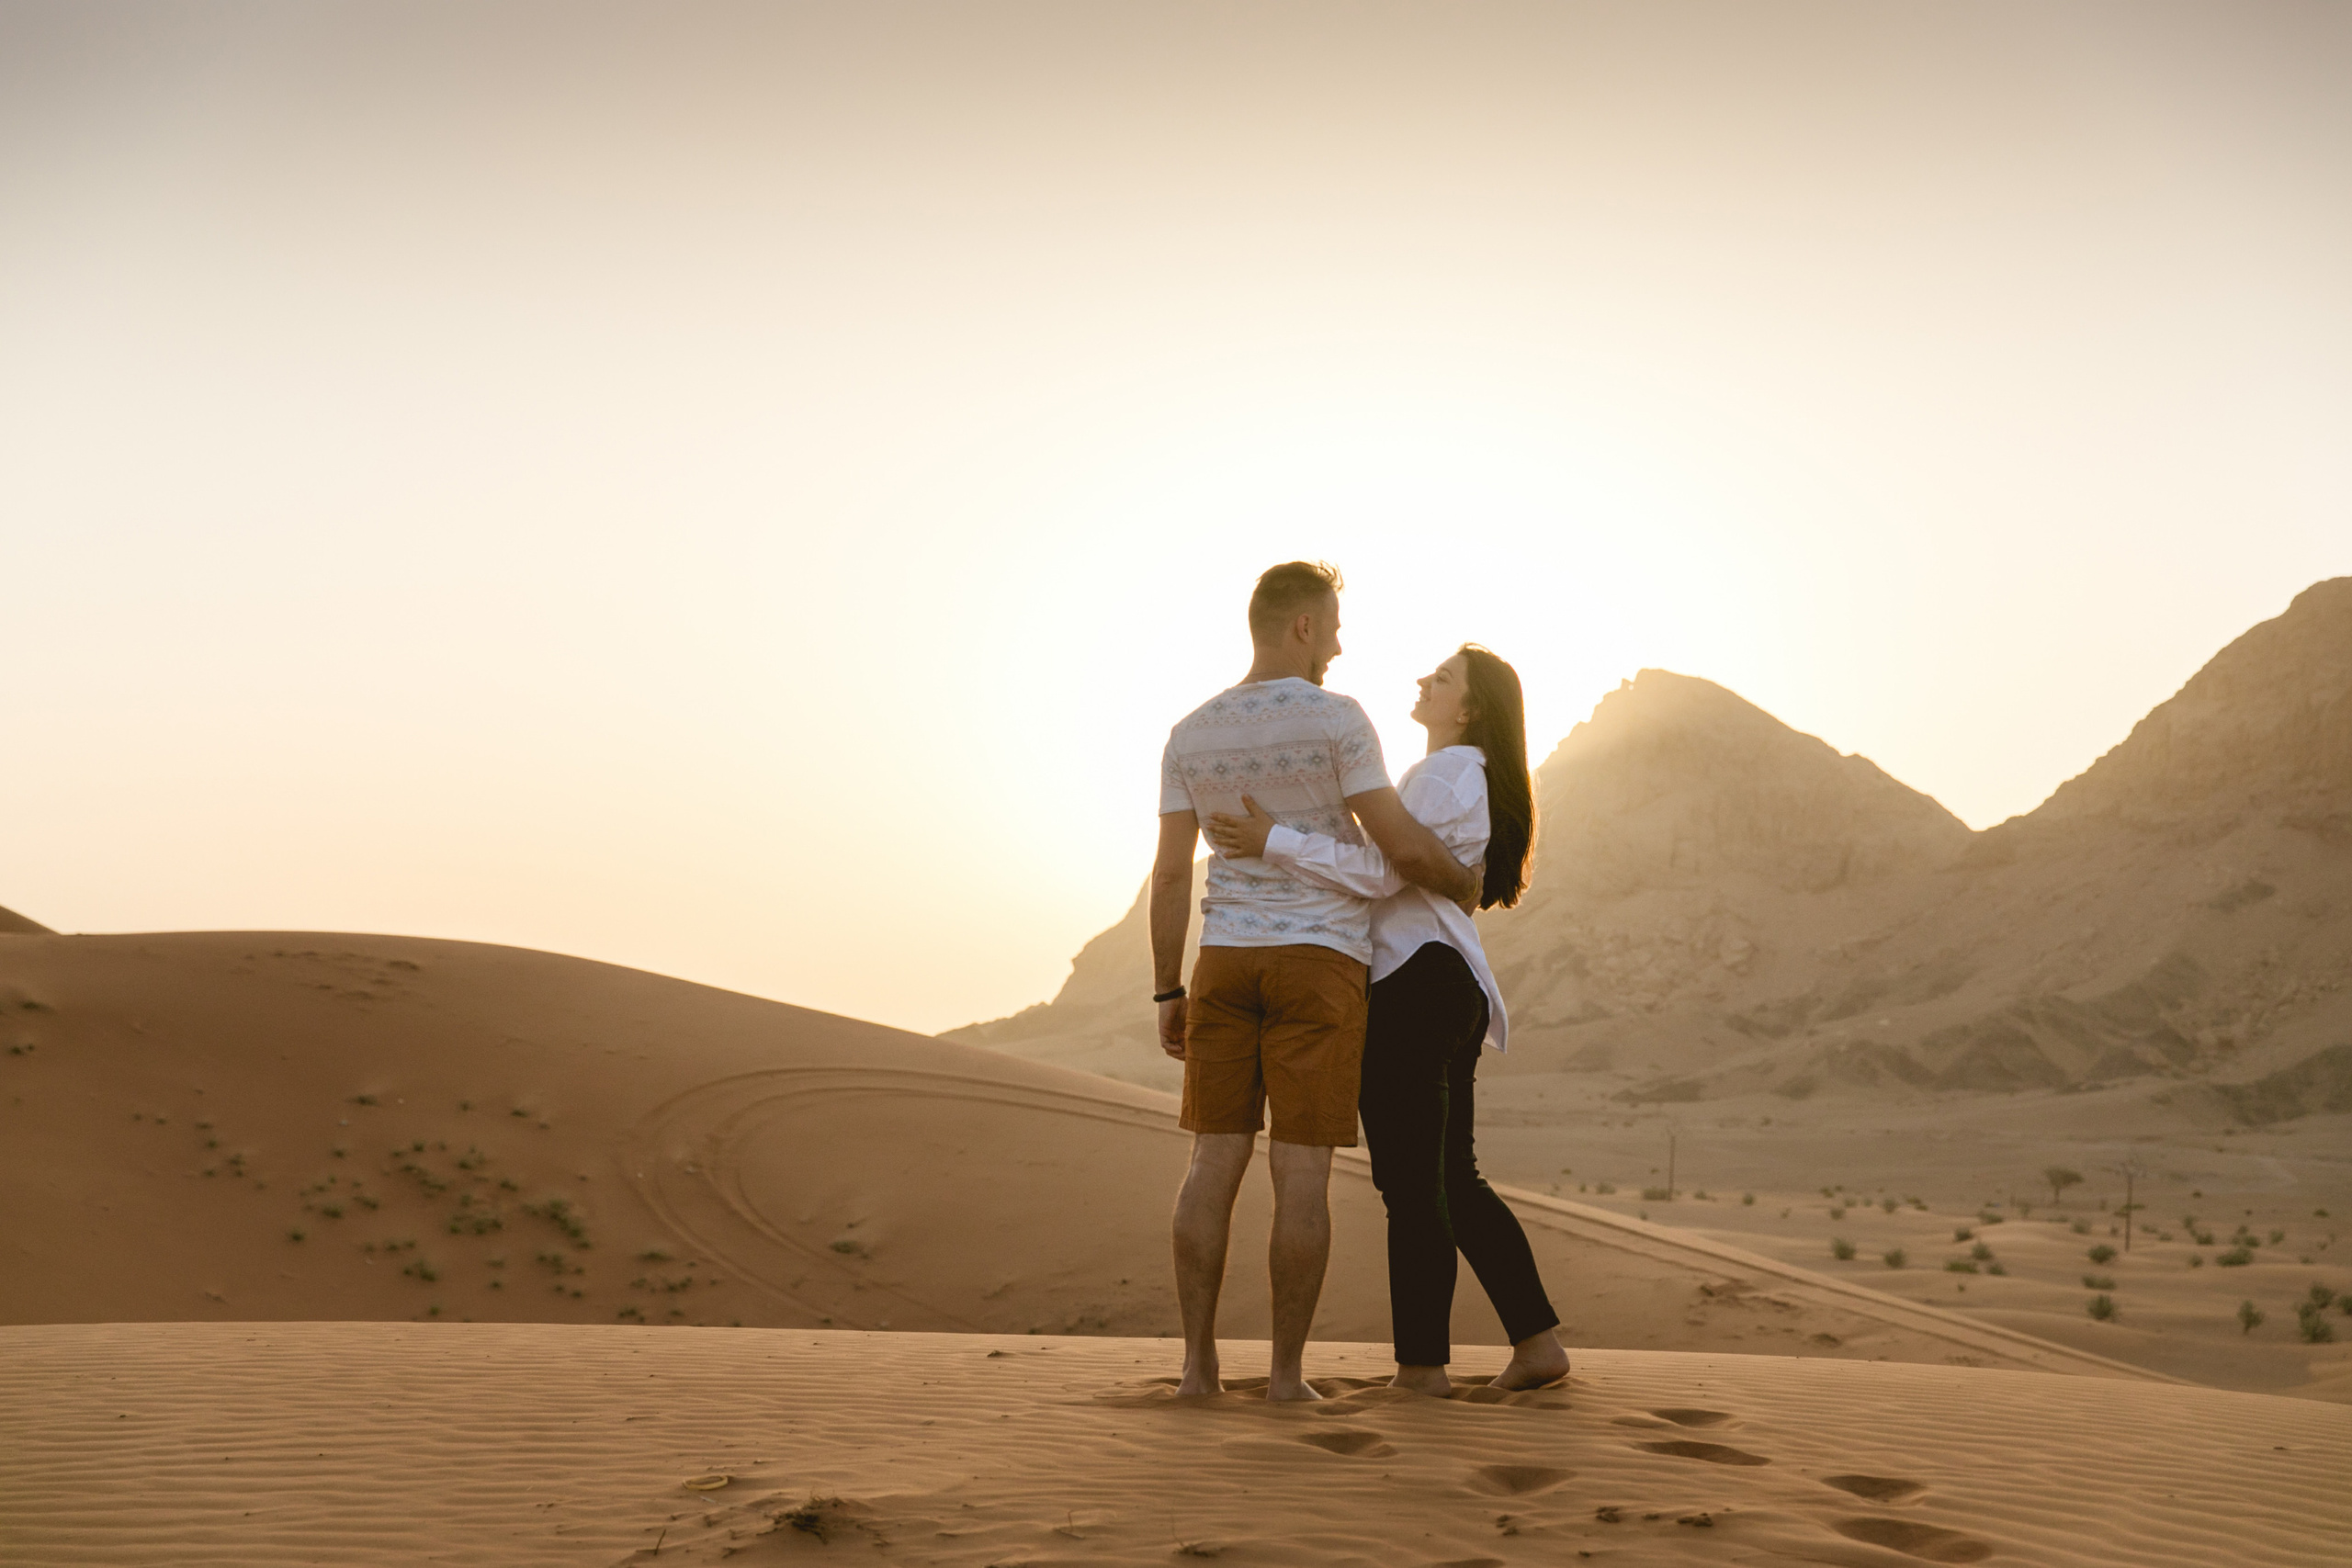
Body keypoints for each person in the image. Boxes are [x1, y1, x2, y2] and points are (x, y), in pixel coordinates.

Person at [1152, 561, 1481, 1402]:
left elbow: (1169, 877)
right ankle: (1287, 1377)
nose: (1339, 643)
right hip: (1321, 965)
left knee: (1210, 1162)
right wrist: (1465, 881)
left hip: (1222, 958)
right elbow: (1402, 850)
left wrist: (1167, 990)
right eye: (1332, 625)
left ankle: (1197, 1369)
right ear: (1301, 625)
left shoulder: (1190, 731)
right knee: (1299, 1174)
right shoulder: (1339, 719)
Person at [1204, 644, 1568, 1396]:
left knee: (1414, 1189)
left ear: (1468, 708)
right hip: (1448, 982)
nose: (1422, 682)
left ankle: (1422, 1371)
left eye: (1441, 679)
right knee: (1453, 1181)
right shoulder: (1468, 774)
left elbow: (1380, 870)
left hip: (1412, 983)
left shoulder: (1442, 772)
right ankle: (1537, 1345)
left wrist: (1273, 839)